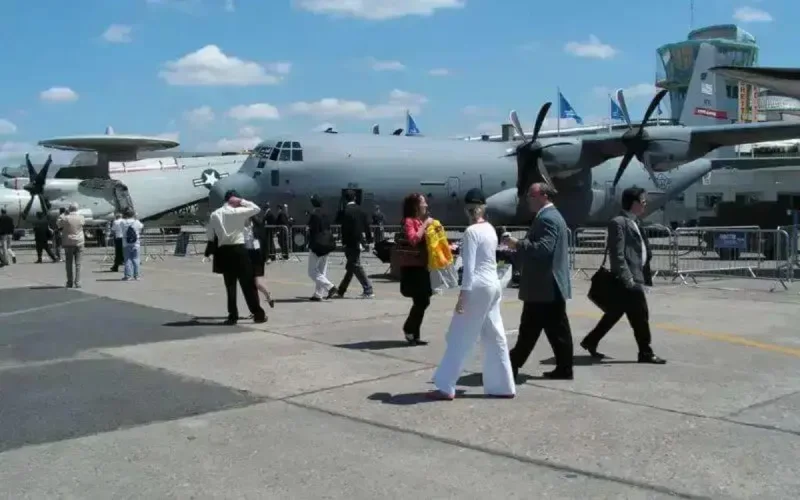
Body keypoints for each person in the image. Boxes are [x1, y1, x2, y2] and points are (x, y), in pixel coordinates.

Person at [429, 189, 516, 400]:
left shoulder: (470, 232)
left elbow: (469, 269)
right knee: (496, 337)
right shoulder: (490, 230)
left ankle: (446, 385)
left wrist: (462, 298)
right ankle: (503, 385)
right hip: (493, 285)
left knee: (460, 336)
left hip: (477, 286)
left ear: (467, 209)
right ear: (483, 207)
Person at [580, 187, 666, 364]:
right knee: (640, 316)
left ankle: (591, 341)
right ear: (633, 203)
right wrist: (628, 279)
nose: (645, 204)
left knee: (615, 312)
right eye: (642, 201)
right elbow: (617, 254)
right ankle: (646, 352)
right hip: (627, 279)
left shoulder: (636, 221)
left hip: (636, 276)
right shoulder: (618, 222)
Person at [503, 183, 574, 380]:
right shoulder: (551, 216)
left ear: (543, 195)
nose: (527, 199)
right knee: (556, 330)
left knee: (530, 330)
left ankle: (510, 365)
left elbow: (544, 248)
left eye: (530, 195)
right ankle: (564, 368)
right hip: (549, 285)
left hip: (544, 286)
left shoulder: (547, 218)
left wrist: (518, 243)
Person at [206, 190, 267, 325]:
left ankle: (232, 315)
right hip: (239, 249)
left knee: (230, 285)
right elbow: (256, 209)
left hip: (224, 251)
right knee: (247, 285)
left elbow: (210, 235)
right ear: (233, 200)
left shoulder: (215, 214)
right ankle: (258, 313)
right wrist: (241, 201)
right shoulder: (236, 212)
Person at [399, 193, 434, 345]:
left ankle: (414, 333)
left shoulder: (419, 221)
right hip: (413, 268)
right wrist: (426, 225)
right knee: (422, 300)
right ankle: (409, 329)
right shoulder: (409, 221)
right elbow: (413, 239)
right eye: (423, 202)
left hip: (422, 266)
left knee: (423, 300)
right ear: (415, 206)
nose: (426, 205)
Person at [334, 189, 374, 299]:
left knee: (355, 266)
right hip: (358, 241)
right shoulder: (361, 210)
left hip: (349, 242)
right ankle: (341, 290)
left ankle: (368, 289)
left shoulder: (345, 211)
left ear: (345, 199)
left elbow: (340, 224)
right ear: (355, 198)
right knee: (351, 267)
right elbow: (366, 226)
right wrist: (369, 240)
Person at [306, 195, 337, 301]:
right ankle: (318, 294)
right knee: (321, 271)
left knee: (312, 271)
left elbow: (313, 230)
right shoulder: (326, 214)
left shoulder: (314, 215)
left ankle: (330, 287)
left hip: (317, 245)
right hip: (327, 244)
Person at [244, 213, 275, 308]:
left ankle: (267, 295)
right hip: (246, 255)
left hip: (257, 256)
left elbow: (265, 242)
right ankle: (258, 306)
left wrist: (267, 257)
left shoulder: (258, 226)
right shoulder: (240, 226)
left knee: (256, 282)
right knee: (251, 284)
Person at [58, 203, 86, 288]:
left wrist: (64, 213)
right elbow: (83, 223)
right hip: (79, 241)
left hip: (68, 241)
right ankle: (78, 282)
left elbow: (58, 223)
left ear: (69, 209)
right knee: (78, 264)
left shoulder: (65, 218)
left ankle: (69, 282)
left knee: (69, 263)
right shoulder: (81, 217)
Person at [119, 209, 143, 281]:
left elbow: (121, 226)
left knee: (127, 260)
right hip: (136, 243)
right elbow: (141, 226)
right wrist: (136, 217)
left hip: (126, 243)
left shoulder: (122, 222)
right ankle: (137, 276)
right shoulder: (137, 222)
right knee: (136, 259)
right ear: (133, 215)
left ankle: (128, 276)